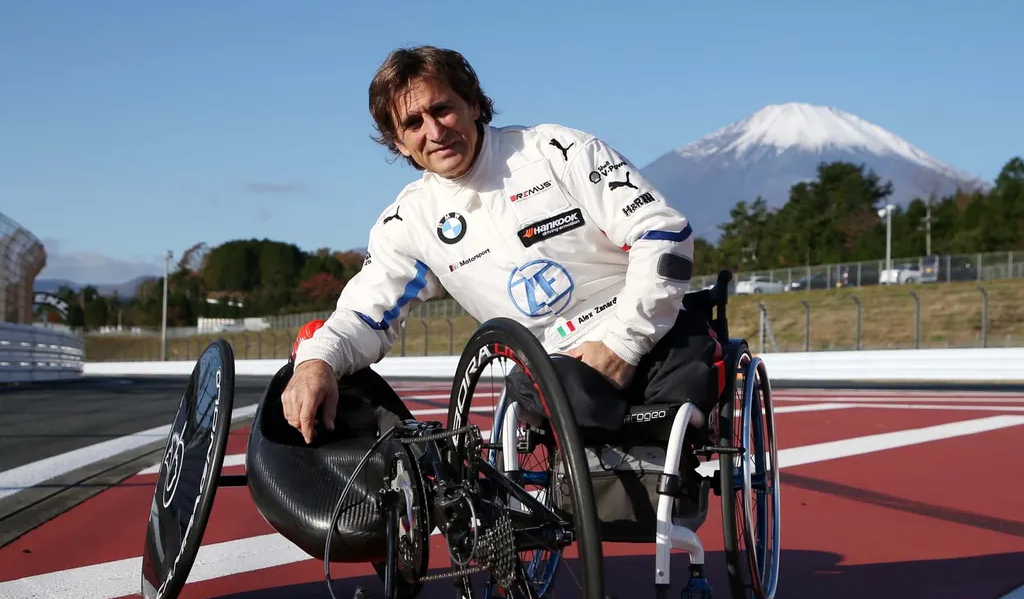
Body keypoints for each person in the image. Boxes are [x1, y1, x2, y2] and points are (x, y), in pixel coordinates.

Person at [282, 46, 718, 442]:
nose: (434, 131)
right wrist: (316, 362)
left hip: (647, 333)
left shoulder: (555, 151)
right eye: (413, 123)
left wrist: (622, 345)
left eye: (442, 109)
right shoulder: (407, 222)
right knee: (550, 389)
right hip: (554, 371)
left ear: (473, 104)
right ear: (400, 143)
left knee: (689, 353)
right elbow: (363, 317)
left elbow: (663, 234)